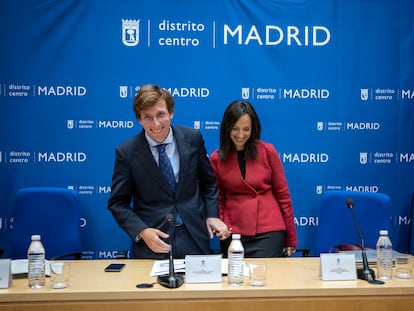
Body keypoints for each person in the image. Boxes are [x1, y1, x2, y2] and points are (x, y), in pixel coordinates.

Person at [108, 84, 230, 259]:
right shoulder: (126, 152)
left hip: (195, 237)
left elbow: (209, 183)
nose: (155, 123)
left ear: (171, 113)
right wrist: (141, 231)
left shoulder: (193, 138)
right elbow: (117, 203)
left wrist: (211, 215)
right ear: (139, 119)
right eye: (147, 117)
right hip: (154, 242)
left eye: (161, 115)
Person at [210, 100, 298, 257]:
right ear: (227, 128)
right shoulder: (216, 158)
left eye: (246, 129)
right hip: (233, 232)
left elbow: (283, 197)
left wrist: (291, 238)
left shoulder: (267, 151)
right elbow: (219, 198)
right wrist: (222, 226)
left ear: (253, 129)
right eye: (235, 129)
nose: (240, 135)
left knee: (264, 277)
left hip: (269, 230)